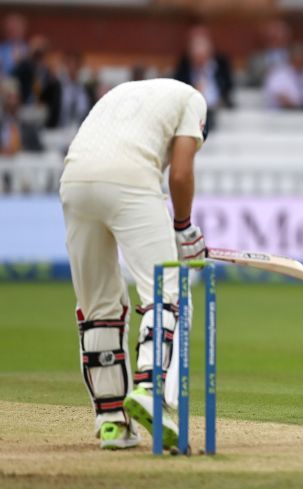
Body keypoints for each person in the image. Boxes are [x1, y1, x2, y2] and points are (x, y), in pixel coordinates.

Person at [59, 78, 208, 450]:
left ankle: (111, 421)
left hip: (73, 180)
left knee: (98, 305)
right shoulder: (193, 98)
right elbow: (180, 172)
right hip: (129, 179)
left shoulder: (125, 92)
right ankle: (149, 388)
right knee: (167, 288)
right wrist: (184, 229)